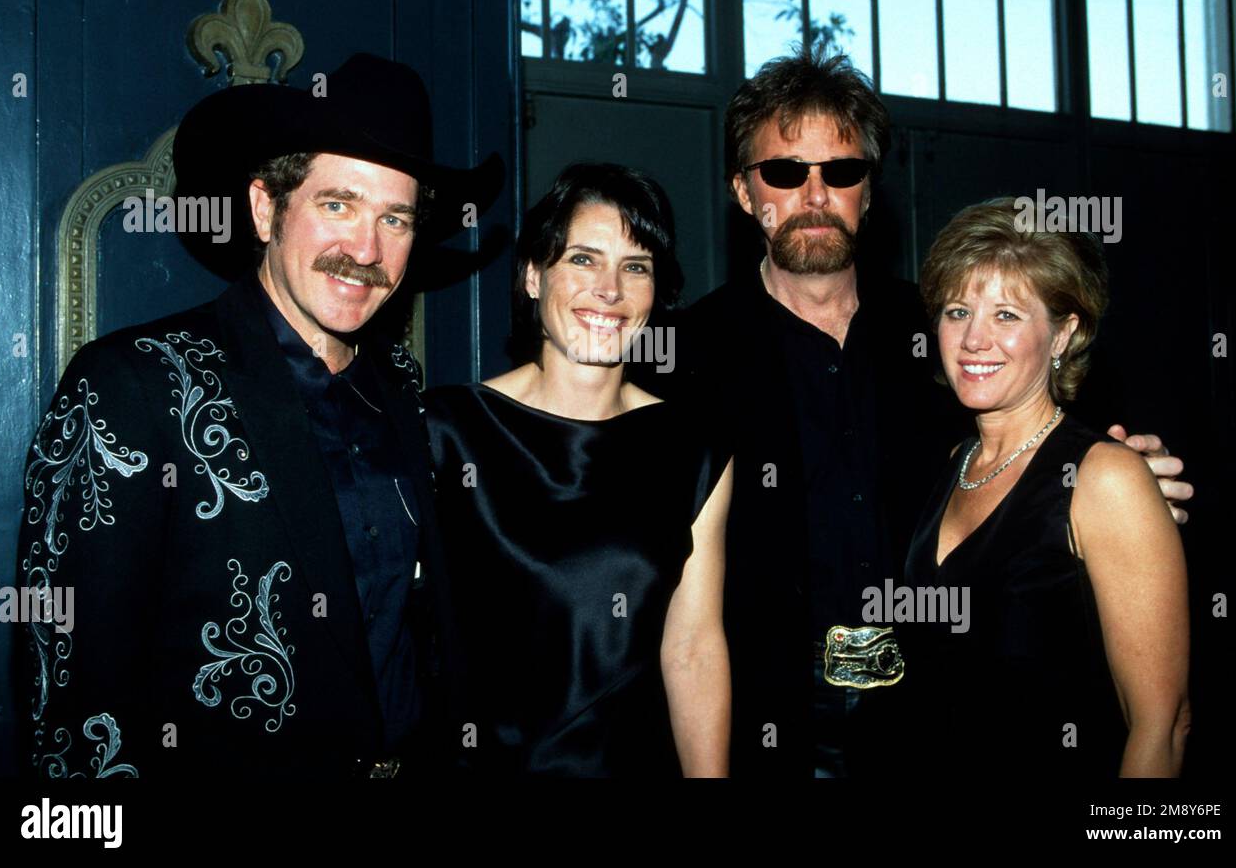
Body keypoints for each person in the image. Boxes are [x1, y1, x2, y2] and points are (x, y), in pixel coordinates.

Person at [648, 47, 1194, 779]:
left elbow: (1051, 449)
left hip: (937, 720)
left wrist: (1129, 478)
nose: (814, 193)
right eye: (783, 171)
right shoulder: (681, 356)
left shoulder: (948, 332)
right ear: (744, 193)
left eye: (841, 171)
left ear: (869, 192)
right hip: (761, 723)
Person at [14, 53, 503, 777]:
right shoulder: (135, 386)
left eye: (393, 218)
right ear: (265, 207)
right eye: (337, 204)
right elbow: (72, 706)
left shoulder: (400, 387)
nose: (364, 249)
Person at [424, 163, 732, 776]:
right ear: (534, 276)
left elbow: (693, 650)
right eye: (583, 260)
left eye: (635, 267)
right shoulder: (446, 432)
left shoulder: (693, 452)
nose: (610, 289)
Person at [903, 199, 1190, 777]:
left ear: (1063, 333)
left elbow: (1163, 726)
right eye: (958, 311)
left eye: (1006, 315)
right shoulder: (954, 463)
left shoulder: (1104, 478)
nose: (974, 339)